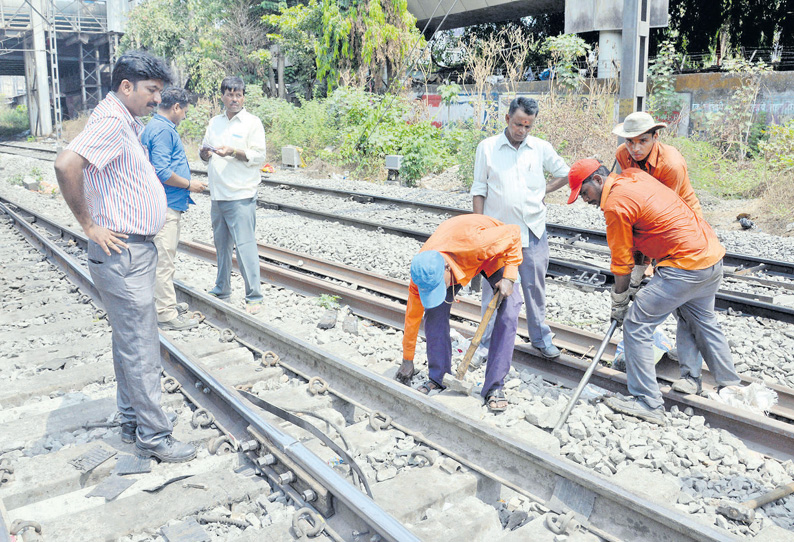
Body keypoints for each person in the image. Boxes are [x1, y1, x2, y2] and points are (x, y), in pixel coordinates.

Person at [53, 51, 196, 462]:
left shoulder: (121, 121)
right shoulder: (114, 121)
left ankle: (132, 419)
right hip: (124, 250)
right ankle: (155, 436)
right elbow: (66, 165)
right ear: (127, 86)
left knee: (129, 341)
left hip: (131, 249)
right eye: (152, 90)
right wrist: (89, 225)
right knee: (141, 345)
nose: (157, 99)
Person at [566, 159, 741, 425]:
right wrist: (640, 271)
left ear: (599, 180)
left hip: (684, 266)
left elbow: (621, 261)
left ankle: (647, 401)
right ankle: (726, 386)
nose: (583, 199)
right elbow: (649, 227)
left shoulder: (614, 204)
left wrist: (621, 298)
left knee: (636, 325)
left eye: (584, 192)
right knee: (699, 318)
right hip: (711, 258)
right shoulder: (634, 176)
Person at [470, 96, 569, 361]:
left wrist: (543, 190)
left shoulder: (540, 148)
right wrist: (480, 230)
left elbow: (566, 173)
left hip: (533, 232)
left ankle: (540, 339)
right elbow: (479, 190)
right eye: (518, 124)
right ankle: (486, 343)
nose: (522, 131)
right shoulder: (487, 148)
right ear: (507, 119)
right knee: (493, 290)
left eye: (528, 126)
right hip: (498, 236)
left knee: (535, 289)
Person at [395, 214, 524, 412]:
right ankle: (438, 377)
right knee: (434, 311)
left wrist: (510, 275)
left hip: (489, 254)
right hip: (456, 255)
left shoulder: (476, 243)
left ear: (446, 268)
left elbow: (514, 232)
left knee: (509, 308)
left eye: (438, 285)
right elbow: (412, 317)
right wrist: (407, 359)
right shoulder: (422, 272)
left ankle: (494, 386)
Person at [141, 87, 208, 331]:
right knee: (164, 259)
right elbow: (161, 171)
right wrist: (190, 184)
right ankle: (165, 313)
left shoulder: (157, 127)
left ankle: (162, 303)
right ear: (176, 107)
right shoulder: (161, 130)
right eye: (184, 112)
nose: (184, 116)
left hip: (163, 202)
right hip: (165, 205)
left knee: (161, 258)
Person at [199, 76, 266, 314]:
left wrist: (234, 151)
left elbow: (259, 156)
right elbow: (204, 150)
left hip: (241, 195)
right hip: (218, 194)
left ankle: (254, 296)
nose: (234, 99)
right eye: (229, 94)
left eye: (238, 95)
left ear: (243, 97)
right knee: (221, 245)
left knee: (245, 246)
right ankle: (222, 287)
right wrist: (205, 154)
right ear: (222, 96)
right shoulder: (214, 122)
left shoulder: (252, 123)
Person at [613, 111, 703, 218]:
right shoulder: (622, 153)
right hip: (648, 207)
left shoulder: (671, 164)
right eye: (630, 141)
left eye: (643, 141)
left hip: (683, 216)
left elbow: (667, 206)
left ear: (655, 136)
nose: (635, 149)